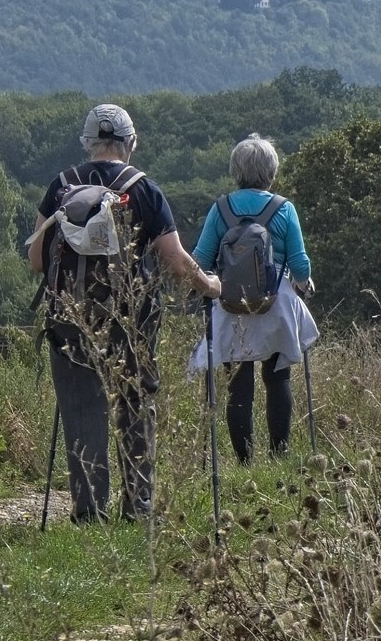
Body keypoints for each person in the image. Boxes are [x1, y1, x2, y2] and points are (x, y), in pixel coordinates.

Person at [28, 104, 216, 522]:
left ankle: (89, 510)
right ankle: (139, 505)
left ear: (86, 143)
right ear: (131, 143)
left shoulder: (61, 186)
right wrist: (209, 285)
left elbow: (38, 261)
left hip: (69, 318)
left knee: (81, 410)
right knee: (134, 403)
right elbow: (173, 258)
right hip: (131, 321)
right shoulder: (143, 188)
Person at [187, 135, 321, 463]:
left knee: (239, 386)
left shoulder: (220, 209)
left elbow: (200, 259)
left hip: (232, 304)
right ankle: (279, 456)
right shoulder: (284, 208)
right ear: (271, 171)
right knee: (278, 379)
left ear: (236, 170)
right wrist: (303, 284)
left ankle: (245, 462)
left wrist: (203, 287)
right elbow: (300, 264)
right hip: (275, 303)